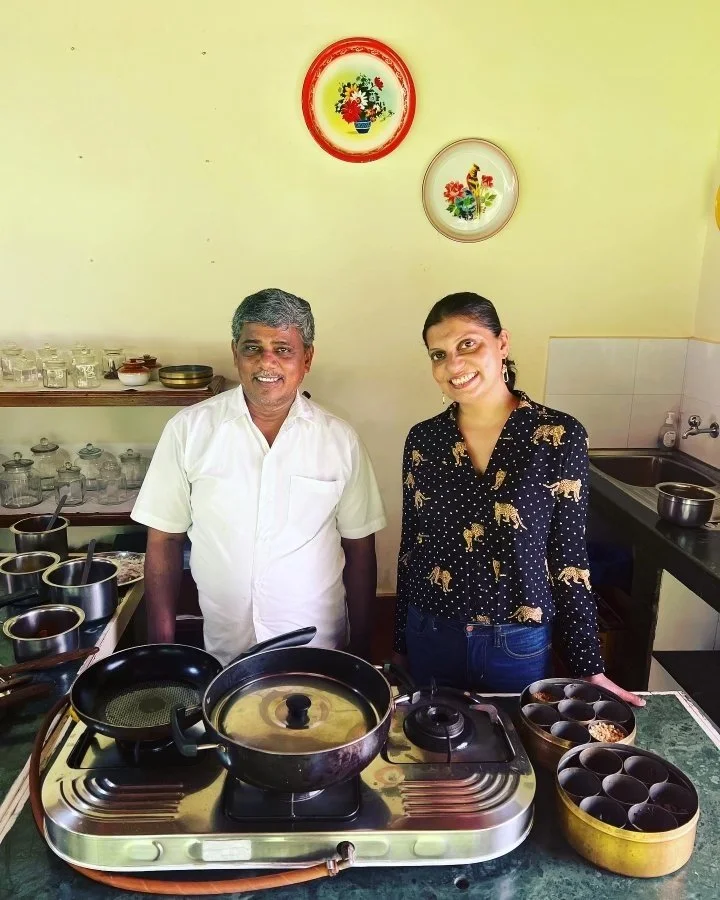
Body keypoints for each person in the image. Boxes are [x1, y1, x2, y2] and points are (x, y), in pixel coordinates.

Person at [393, 292, 643, 706]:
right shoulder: (424, 440)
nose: (453, 365)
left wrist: (588, 666)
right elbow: (411, 549)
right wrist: (401, 646)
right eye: (439, 354)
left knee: (514, 742)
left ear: (502, 343)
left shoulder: (558, 436)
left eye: (468, 344)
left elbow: (568, 555)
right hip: (432, 632)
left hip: (516, 640)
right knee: (431, 741)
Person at [132, 288, 386, 665]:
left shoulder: (339, 440)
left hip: (318, 651)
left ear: (307, 358)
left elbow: (360, 546)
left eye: (283, 349)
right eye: (253, 348)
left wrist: (362, 650)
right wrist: (161, 652)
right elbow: (164, 538)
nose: (267, 362)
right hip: (225, 651)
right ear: (235, 352)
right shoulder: (188, 431)